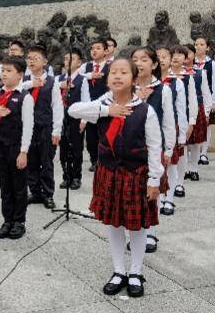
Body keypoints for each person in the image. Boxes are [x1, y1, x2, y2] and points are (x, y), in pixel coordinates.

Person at [68, 58, 163, 298]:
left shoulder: (145, 109)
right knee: (113, 222)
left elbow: (154, 147)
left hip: (135, 174)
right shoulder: (103, 103)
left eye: (123, 72)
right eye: (113, 73)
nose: (117, 76)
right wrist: (106, 110)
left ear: (133, 79)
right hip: (108, 173)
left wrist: (154, 180)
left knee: (137, 224)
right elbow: (73, 110)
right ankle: (119, 270)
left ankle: (135, 271)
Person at [132, 46, 175, 254]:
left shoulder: (163, 90)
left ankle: (149, 232)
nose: (139, 63)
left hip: (153, 148)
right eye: (135, 59)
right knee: (133, 191)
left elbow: (168, 122)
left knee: (152, 190)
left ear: (154, 64)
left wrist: (168, 150)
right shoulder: (127, 89)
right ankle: (134, 229)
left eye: (144, 59)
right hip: (131, 148)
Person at [0, 57, 33, 240]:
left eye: (9, 71)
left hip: (16, 147)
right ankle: (7, 219)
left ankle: (19, 221)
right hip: (0, 145)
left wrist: (23, 152)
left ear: (20, 75)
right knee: (4, 185)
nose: (4, 74)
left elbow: (28, 126)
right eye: (3, 70)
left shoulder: (25, 97)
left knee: (19, 186)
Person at [23, 45, 63, 210]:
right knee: (30, 161)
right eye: (29, 58)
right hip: (28, 128)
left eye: (35, 58)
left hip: (45, 127)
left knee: (46, 162)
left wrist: (57, 130)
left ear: (45, 62)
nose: (31, 61)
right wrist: (32, 83)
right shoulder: (24, 81)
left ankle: (48, 194)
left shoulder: (52, 82)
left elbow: (57, 106)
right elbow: (14, 90)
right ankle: (35, 192)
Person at [156, 46, 188, 216]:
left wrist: (182, 134)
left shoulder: (177, 82)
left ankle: (169, 198)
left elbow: (181, 110)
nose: (161, 59)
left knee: (171, 164)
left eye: (164, 56)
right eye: (158, 56)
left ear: (170, 61)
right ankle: (158, 198)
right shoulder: (148, 82)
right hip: (151, 130)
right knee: (156, 165)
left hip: (170, 128)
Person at [58, 49, 89, 191]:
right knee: (63, 148)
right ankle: (66, 176)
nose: (68, 61)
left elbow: (85, 100)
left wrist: (84, 120)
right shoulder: (59, 79)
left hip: (76, 118)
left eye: (72, 59)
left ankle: (76, 176)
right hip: (61, 119)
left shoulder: (82, 80)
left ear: (79, 63)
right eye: (65, 58)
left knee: (76, 148)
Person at [169, 46, 197, 199]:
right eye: (173, 54)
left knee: (181, 151)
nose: (176, 57)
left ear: (185, 59)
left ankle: (180, 183)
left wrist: (191, 122)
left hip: (182, 118)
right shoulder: (165, 76)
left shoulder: (188, 77)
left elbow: (192, 100)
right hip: (167, 119)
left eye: (180, 54)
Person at [81, 39, 110, 172]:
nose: (94, 50)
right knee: (91, 136)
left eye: (98, 48)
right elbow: (77, 77)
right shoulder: (86, 66)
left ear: (106, 51)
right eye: (92, 48)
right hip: (89, 106)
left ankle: (104, 160)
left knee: (104, 134)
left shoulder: (111, 66)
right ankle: (94, 160)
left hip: (105, 105)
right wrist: (90, 75)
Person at [184, 49, 212, 182]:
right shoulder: (176, 75)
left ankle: (194, 169)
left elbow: (206, 93)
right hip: (182, 109)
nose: (185, 57)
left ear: (193, 55)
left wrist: (207, 112)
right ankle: (184, 169)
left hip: (198, 108)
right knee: (183, 143)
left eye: (188, 53)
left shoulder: (200, 73)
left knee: (196, 142)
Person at [193, 37, 215, 165]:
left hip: (207, 98)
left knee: (207, 126)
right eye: (196, 44)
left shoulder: (211, 64)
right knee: (195, 125)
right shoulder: (191, 62)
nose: (198, 46)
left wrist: (214, 101)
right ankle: (195, 154)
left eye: (202, 44)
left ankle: (204, 153)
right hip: (195, 98)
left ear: (207, 47)